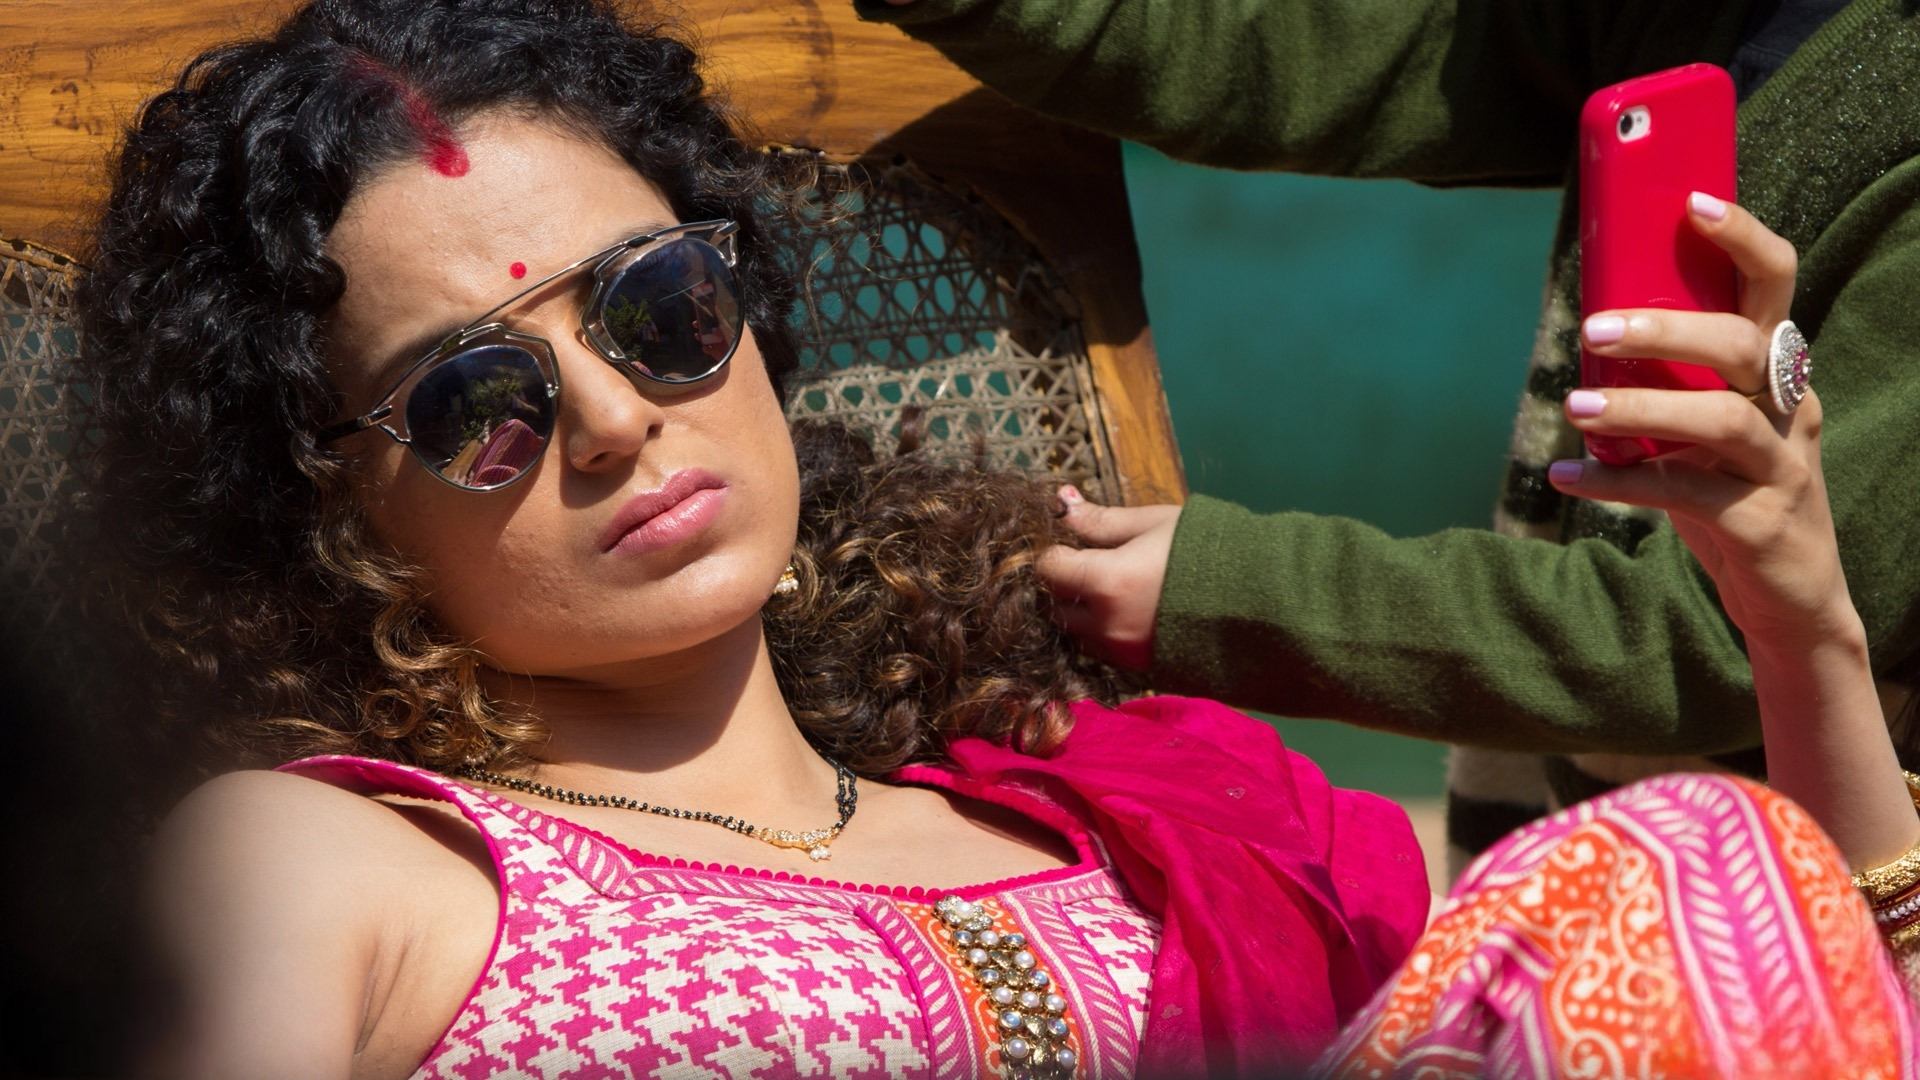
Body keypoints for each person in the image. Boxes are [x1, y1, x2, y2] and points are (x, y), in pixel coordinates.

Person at [69, 0, 1917, 1077]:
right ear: (334, 516)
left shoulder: (1130, 823)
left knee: (1698, 852)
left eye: (658, 307)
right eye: (479, 401)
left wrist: (1797, 626)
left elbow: (1799, 999)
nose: (617, 416)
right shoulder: (333, 864)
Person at [859, 0, 1920, 873]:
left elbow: (1721, 633)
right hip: (1586, 864)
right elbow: (1304, 42)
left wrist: (1232, 593)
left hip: (1782, 931)